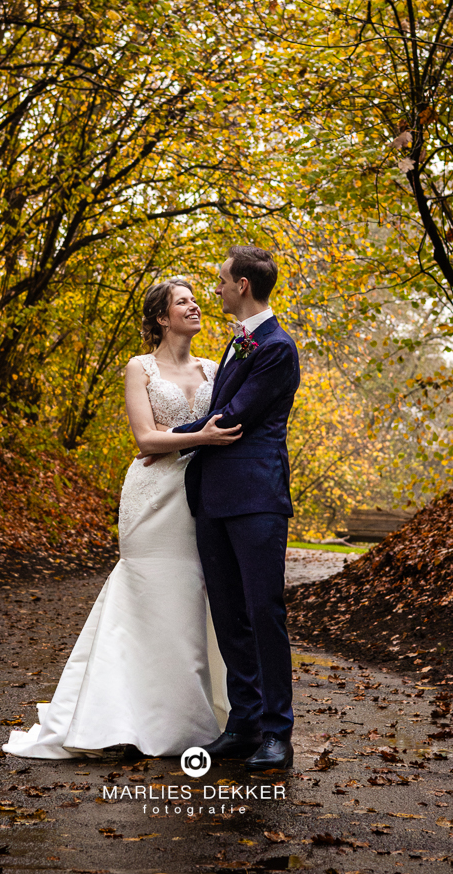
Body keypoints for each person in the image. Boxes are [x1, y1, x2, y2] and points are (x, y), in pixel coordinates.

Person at [2, 279, 240, 758]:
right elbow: (145, 440)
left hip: (201, 496)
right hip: (152, 499)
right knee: (148, 593)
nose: (195, 305)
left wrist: (179, 435)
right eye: (183, 301)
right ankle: (119, 717)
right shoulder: (140, 367)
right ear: (162, 317)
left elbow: (217, 427)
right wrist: (198, 437)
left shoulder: (215, 369)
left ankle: (187, 717)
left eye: (196, 299)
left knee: (192, 597)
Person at [172, 247, 301, 770]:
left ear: (243, 285)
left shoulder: (277, 348)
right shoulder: (237, 341)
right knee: (228, 614)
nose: (218, 288)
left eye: (223, 279)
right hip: (214, 498)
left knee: (263, 612)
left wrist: (165, 437)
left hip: (255, 498)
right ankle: (244, 724)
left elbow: (231, 418)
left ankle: (277, 733)